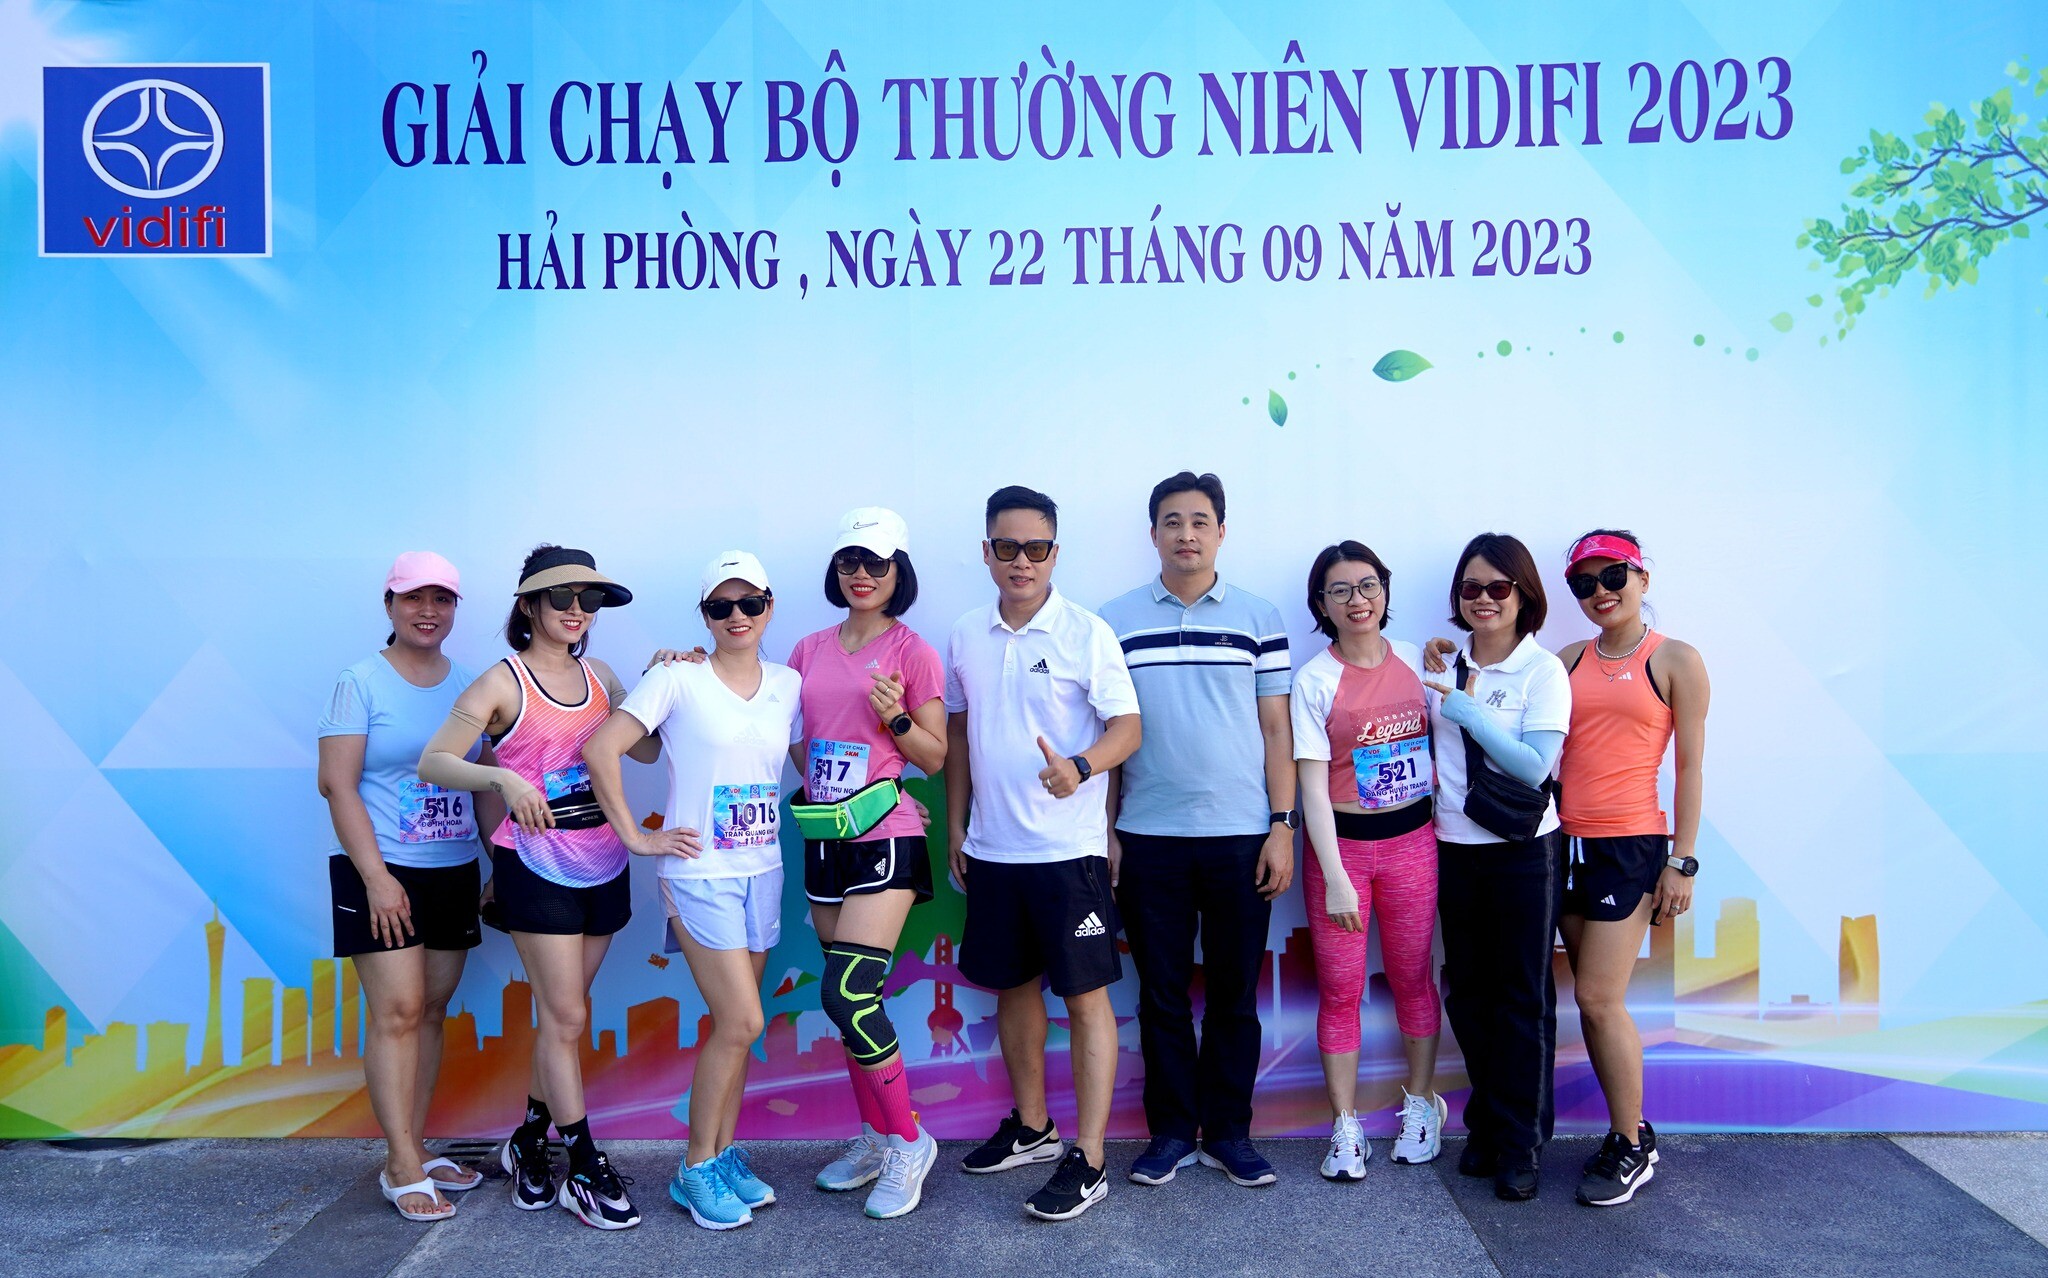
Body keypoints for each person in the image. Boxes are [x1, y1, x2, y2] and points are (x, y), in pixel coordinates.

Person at [417, 545, 653, 1230]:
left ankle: (526, 1140)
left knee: (563, 1016)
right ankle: (583, 1163)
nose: (577, 611)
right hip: (536, 867)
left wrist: (661, 681)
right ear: (528, 605)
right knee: (566, 1016)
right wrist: (502, 776)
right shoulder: (502, 682)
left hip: (605, 860)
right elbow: (435, 761)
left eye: (589, 599)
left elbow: (645, 749)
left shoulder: (603, 677)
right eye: (562, 597)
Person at [583, 551, 798, 1231]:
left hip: (764, 870)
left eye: (749, 603)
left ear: (769, 607)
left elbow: (804, 759)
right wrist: (636, 837)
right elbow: (601, 749)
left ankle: (723, 1154)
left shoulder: (788, 683)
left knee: (738, 1027)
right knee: (741, 1022)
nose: (736, 616)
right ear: (704, 615)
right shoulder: (675, 678)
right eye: (720, 606)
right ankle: (694, 1168)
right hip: (700, 873)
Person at [946, 485, 1141, 1221]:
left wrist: (1081, 768)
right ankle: (1032, 1128)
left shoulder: (1087, 632)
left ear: (1055, 553)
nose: (1020, 561)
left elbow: (1128, 728)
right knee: (1013, 988)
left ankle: (1089, 1157)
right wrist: (956, 826)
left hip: (1069, 852)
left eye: (1035, 547)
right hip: (993, 850)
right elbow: (958, 734)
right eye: (1007, 547)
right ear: (986, 551)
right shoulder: (965, 633)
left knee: (1086, 999)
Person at [1098, 472, 1294, 1190]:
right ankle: (1173, 1133)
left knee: (1236, 996)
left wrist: (1282, 826)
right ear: (1153, 533)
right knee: (1162, 995)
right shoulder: (1113, 622)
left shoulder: (1258, 617)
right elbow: (1109, 733)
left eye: (1200, 521)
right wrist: (1108, 831)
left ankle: (1231, 1133)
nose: (1187, 533)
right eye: (1173, 521)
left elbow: (1277, 732)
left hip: (1242, 837)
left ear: (1221, 531)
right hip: (1148, 838)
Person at [316, 552, 497, 1222]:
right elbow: (336, 785)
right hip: (383, 871)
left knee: (429, 1011)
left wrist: (499, 866)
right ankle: (400, 1165)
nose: (428, 611)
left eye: (442, 599)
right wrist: (376, 879)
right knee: (396, 1011)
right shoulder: (359, 682)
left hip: (453, 870)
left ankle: (414, 1148)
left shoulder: (475, 685)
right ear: (389, 605)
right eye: (413, 598)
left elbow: (485, 786)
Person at [787, 510, 946, 1218]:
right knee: (851, 1002)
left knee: (848, 994)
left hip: (886, 836)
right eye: (849, 561)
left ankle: (909, 1141)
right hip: (825, 834)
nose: (861, 574)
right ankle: (876, 1136)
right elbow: (792, 736)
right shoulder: (807, 649)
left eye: (876, 563)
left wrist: (897, 722)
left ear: (897, 571)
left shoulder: (913, 651)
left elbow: (935, 756)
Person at [1552, 530, 1709, 1206]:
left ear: (1642, 577)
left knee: (1597, 996)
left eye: (1613, 575)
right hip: (1564, 843)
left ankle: (1630, 1143)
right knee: (1590, 1002)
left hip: (1631, 845)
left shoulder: (1674, 658)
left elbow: (1691, 767)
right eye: (1583, 583)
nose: (1600, 592)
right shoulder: (1566, 659)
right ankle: (1630, 1132)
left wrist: (1683, 860)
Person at [1417, 533, 1571, 1202]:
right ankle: (1486, 1123)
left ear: (1522, 595)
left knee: (1522, 999)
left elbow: (1536, 768)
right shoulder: (1440, 666)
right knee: (1471, 995)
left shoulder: (1543, 672)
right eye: (1471, 588)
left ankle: (1521, 1142)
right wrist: (1447, 678)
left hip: (1523, 850)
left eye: (1498, 588)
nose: (1484, 599)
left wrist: (1470, 713)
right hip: (1454, 846)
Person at [1290, 541, 1448, 1183]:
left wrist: (1446, 652)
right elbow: (1310, 787)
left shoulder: (1418, 659)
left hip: (1415, 845)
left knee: (1413, 977)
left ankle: (1422, 1105)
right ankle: (1345, 1125)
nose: (1357, 600)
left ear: (1384, 590)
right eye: (1340, 591)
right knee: (1341, 989)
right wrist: (1334, 877)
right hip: (1343, 853)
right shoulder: (1313, 680)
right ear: (1322, 605)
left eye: (1367, 585)